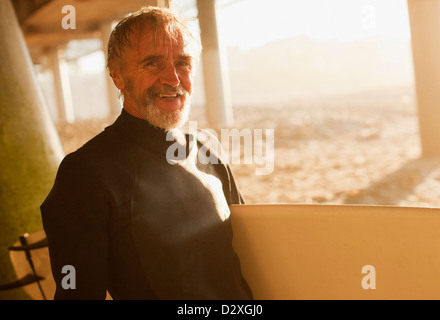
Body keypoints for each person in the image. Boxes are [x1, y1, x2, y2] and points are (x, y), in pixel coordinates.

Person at [40, 6, 253, 300]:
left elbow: (252, 253)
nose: (173, 79)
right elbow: (75, 294)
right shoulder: (84, 174)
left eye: (183, 62)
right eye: (152, 63)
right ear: (117, 74)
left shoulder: (207, 150)